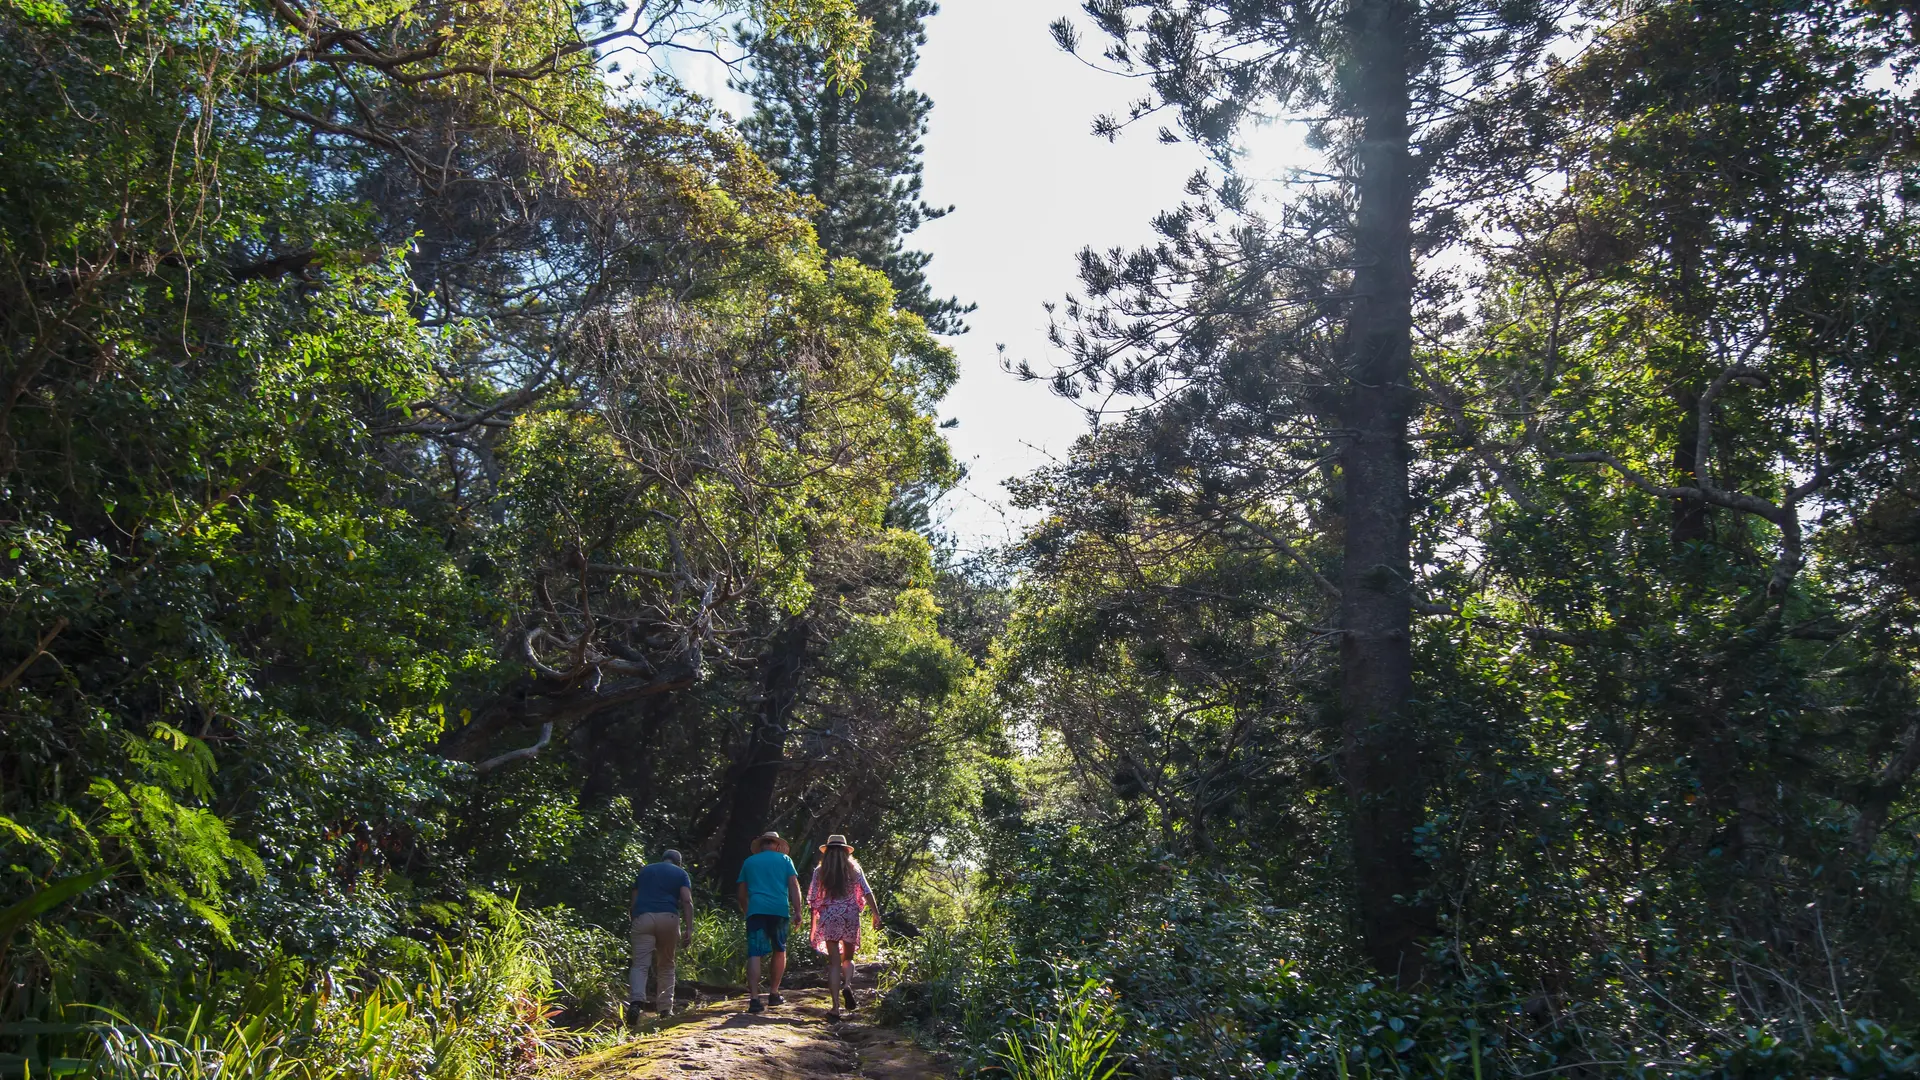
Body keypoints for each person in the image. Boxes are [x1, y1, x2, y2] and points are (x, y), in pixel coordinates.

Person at [807, 834, 881, 1021]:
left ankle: (835, 1008)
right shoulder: (854, 869)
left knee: (833, 963)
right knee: (847, 958)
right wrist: (876, 913)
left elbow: (813, 899)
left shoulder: (819, 871)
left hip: (829, 915)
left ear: (828, 851)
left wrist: (813, 924)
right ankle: (847, 984)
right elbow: (867, 891)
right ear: (845, 851)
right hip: (849, 916)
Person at [735, 830, 803, 1014]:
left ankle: (755, 999)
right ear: (777, 845)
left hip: (756, 910)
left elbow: (741, 892)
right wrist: (798, 911)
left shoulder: (749, 862)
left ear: (762, 845)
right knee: (779, 950)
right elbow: (793, 886)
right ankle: (774, 994)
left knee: (755, 953)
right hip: (779, 910)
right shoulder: (785, 860)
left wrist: (747, 910)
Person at [628, 848, 695, 1023]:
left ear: (663, 859)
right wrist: (689, 928)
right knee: (666, 965)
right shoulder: (681, 873)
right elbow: (687, 900)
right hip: (668, 918)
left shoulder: (645, 871)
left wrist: (635, 918)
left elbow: (634, 900)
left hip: (643, 917)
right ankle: (665, 1009)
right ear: (678, 862)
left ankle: (636, 1002)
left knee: (640, 965)